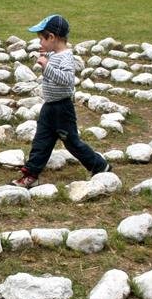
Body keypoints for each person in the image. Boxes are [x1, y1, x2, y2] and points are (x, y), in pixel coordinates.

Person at [10, 14, 113, 188]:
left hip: (62, 109)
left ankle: (100, 166)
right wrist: (48, 61)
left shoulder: (65, 56)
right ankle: (31, 174)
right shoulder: (54, 54)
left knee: (73, 143)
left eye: (42, 39)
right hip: (49, 107)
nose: (40, 43)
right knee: (40, 141)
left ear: (51, 37)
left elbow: (67, 79)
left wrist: (46, 66)